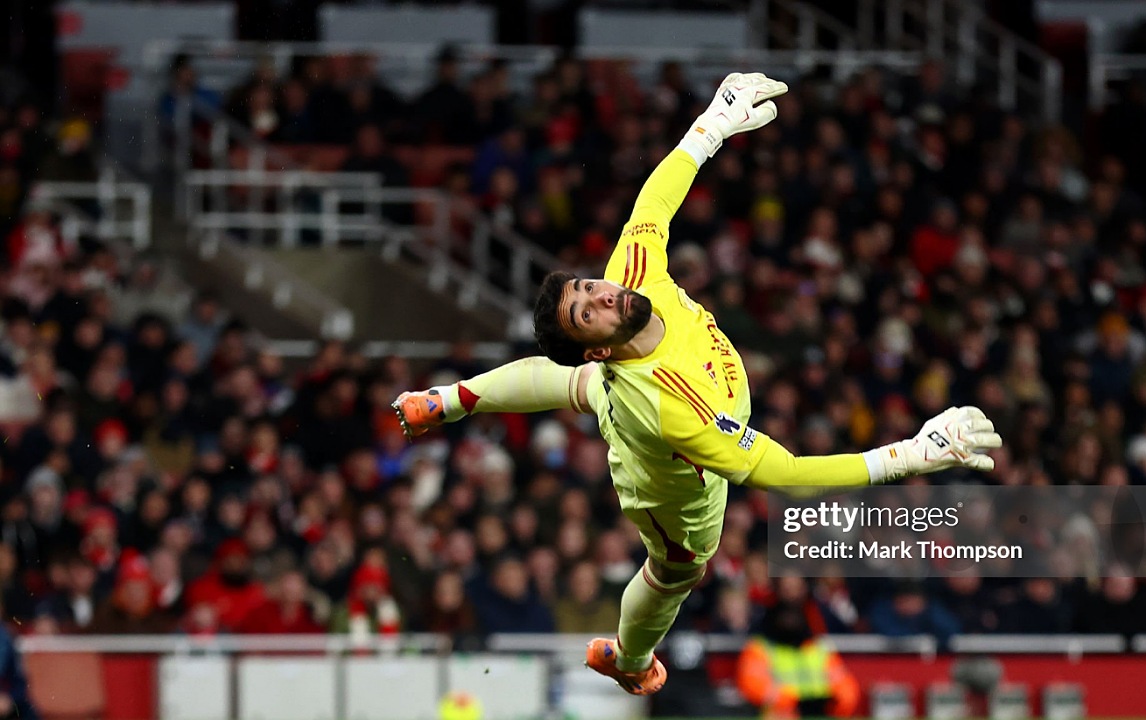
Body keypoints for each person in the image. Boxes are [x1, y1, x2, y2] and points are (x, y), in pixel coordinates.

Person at [393, 73, 1003, 696]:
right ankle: (629, 660)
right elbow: (787, 475)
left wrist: (715, 121)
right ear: (600, 343)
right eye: (587, 311)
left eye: (586, 287)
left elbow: (653, 204)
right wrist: (912, 455)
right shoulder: (669, 408)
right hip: (672, 493)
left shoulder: (631, 274)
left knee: (579, 386)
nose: (600, 293)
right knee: (678, 568)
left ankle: (444, 400)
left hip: (633, 390)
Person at [736, 590, 860, 719]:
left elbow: (847, 690)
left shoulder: (820, 649)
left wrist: (831, 705)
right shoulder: (760, 648)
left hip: (820, 714)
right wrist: (793, 702)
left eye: (795, 616)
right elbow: (752, 686)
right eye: (785, 616)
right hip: (782, 715)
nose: (790, 621)